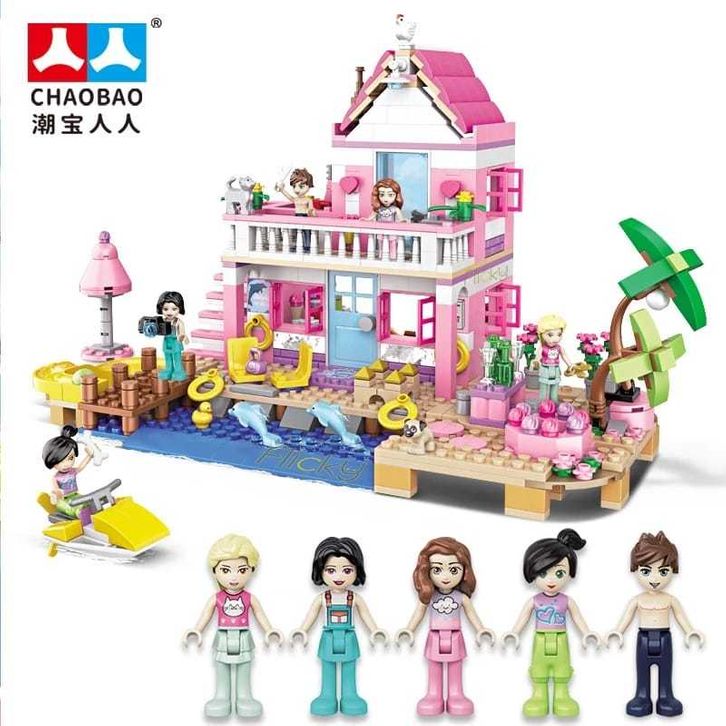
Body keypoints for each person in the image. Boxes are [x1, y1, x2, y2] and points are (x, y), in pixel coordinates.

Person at [182, 534, 283, 719]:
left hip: (244, 636)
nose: (234, 577)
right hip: (222, 636)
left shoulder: (249, 598)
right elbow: (206, 614)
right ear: (215, 571)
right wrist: (197, 630)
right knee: (221, 666)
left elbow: (259, 614)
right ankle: (222, 696)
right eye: (226, 570)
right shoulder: (217, 598)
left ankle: (244, 696)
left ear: (251, 569)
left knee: (245, 665)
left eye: (242, 570)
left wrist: (269, 630)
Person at [503, 528, 600, 718]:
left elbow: (577, 618)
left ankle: (561, 696)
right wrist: (514, 632)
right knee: (538, 670)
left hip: (561, 639)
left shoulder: (567, 601)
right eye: (543, 573)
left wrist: (587, 633)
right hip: (540, 640)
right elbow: (523, 618)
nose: (550, 580)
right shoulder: (535, 601)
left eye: (559, 573)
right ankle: (539, 696)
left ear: (570, 573)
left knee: (562, 670)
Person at [606, 531, 705, 717]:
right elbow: (627, 616)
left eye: (663, 571)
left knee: (665, 671)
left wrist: (690, 631)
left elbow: (680, 616)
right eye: (646, 571)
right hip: (643, 640)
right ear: (635, 569)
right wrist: (618, 631)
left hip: (665, 638)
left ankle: (666, 696)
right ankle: (642, 696)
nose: (655, 578)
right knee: (642, 671)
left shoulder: (670, 599)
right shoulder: (638, 599)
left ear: (673, 570)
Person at [395, 537, 495, 717]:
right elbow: (419, 613)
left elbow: (471, 614)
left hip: (456, 636)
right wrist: (409, 629)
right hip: (434, 636)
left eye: (454, 569)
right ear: (426, 571)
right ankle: (434, 694)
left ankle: (456, 694)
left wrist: (481, 630)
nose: (446, 576)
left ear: (464, 571)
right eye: (437, 569)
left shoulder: (461, 598)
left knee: (456, 666)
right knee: (434, 667)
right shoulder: (429, 597)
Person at [291, 537, 388, 717]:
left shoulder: (354, 598)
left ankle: (349, 695)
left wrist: (375, 630)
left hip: (349, 637)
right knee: (327, 667)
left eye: (347, 570)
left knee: (349, 667)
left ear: (357, 570)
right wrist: (302, 630)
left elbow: (365, 614)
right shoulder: (323, 598)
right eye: (331, 570)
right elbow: (312, 615)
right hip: (328, 637)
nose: (339, 576)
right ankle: (327, 695)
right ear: (320, 571)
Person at [42, 425, 95, 524]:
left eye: (70, 458)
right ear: (52, 461)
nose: (66, 464)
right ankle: (85, 522)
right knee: (78, 510)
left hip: (76, 496)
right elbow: (56, 490)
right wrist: (56, 494)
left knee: (90, 503)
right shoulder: (55, 478)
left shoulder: (72, 471)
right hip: (64, 501)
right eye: (61, 461)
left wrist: (89, 455)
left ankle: (93, 517)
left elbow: (81, 466)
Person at [535, 313, 575, 404]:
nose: (556, 339)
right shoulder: (542, 348)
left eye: (559, 334)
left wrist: (570, 365)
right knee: (544, 392)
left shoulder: (559, 347)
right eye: (550, 335)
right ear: (542, 335)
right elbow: (538, 357)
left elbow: (564, 356)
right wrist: (536, 362)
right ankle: (543, 406)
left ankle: (554, 405)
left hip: (556, 370)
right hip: (545, 370)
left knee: (554, 392)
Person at [275, 168, 315, 252]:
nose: (296, 190)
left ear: (308, 186)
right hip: (296, 217)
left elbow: (311, 208)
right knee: (296, 232)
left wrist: (310, 211)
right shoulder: (296, 199)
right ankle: (296, 245)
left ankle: (307, 246)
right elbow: (289, 196)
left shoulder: (308, 200)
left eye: (301, 186)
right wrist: (282, 190)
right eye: (294, 186)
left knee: (306, 232)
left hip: (305, 217)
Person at [365, 178, 406, 260]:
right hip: (381, 230)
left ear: (396, 195)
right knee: (381, 244)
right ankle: (381, 256)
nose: (385, 198)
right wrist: (367, 220)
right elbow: (372, 216)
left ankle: (393, 257)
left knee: (392, 244)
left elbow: (401, 218)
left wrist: (403, 221)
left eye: (390, 195)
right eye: (382, 195)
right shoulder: (379, 208)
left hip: (392, 230)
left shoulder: (395, 209)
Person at [155, 291, 189, 381]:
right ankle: (168, 369)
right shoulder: (162, 321)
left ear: (179, 309)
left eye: (174, 309)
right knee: (167, 356)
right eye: (166, 309)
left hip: (175, 341)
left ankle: (178, 371)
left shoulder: (178, 322)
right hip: (166, 341)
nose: (169, 312)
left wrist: (182, 337)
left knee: (177, 357)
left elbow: (182, 332)